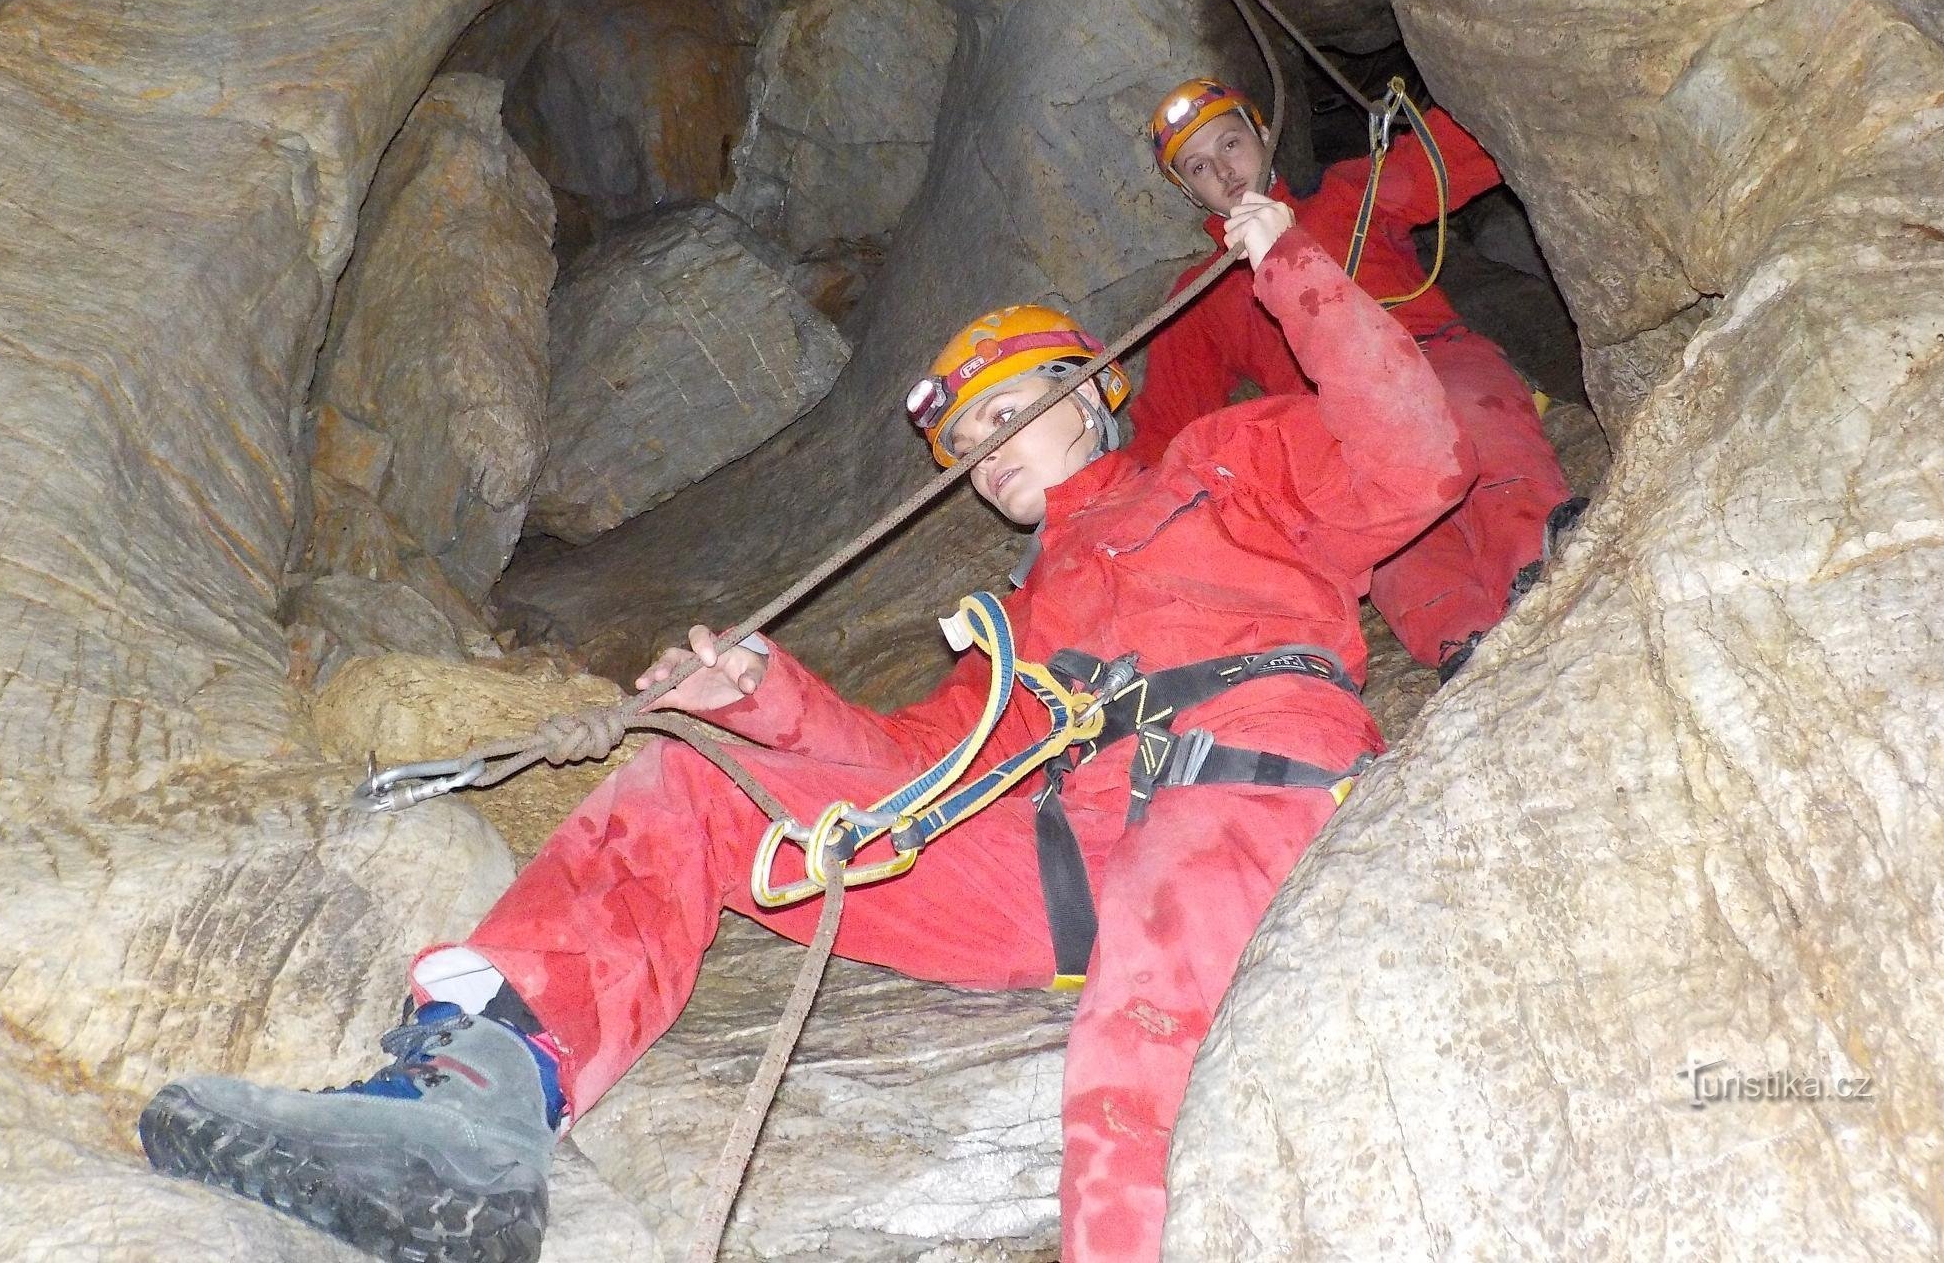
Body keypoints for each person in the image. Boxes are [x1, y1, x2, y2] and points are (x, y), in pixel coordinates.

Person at [139, 193, 1475, 1263]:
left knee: (1130, 1078)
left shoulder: (1226, 465)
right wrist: (762, 704)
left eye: (1012, 412)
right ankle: (468, 1117)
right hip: (1057, 862)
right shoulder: (1018, 620)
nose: (990, 447)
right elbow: (911, 777)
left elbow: (1418, 455)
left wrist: (1291, 261)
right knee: (697, 786)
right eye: (969, 439)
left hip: (1241, 789)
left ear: (1092, 394)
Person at [1130, 77, 1584, 679]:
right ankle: (1465, 642)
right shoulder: (1200, 295)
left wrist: (1508, 67)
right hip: (1334, 429)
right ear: (1190, 192)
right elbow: (1164, 425)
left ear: (1264, 135)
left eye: (1231, 144)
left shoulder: (1348, 195)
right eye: (1200, 166)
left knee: (1478, 433)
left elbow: (1472, 143)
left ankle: (1542, 561)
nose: (1224, 170)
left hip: (1432, 358)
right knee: (1391, 545)